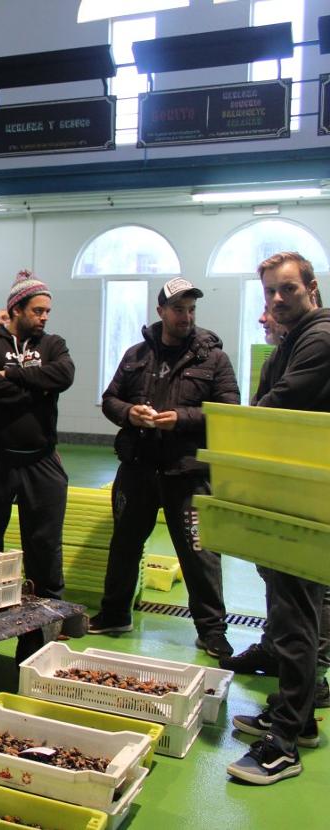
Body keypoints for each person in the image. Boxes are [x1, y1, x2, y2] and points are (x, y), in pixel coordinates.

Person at [90, 278, 239, 660]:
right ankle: (114, 614)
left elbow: (228, 412)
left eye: (191, 310)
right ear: (161, 312)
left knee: (198, 552)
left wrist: (183, 419)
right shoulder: (136, 355)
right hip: (138, 468)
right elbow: (110, 399)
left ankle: (212, 631)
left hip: (186, 473)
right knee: (124, 544)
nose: (186, 316)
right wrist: (129, 413)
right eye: (178, 309)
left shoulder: (214, 359)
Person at [228, 252, 330, 785]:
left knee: (296, 614)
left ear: (310, 287)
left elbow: (280, 403)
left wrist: (229, 430)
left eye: (286, 289)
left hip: (308, 496)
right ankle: (301, 718)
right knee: (286, 607)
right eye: (269, 292)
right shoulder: (290, 342)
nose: (275, 301)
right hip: (288, 490)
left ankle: (286, 742)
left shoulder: (321, 336)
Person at [0, 270, 74, 600]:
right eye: (37, 311)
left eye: (47, 312)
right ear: (16, 309)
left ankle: (49, 612)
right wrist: (37, 386)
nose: (44, 318)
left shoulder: (53, 344)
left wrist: (12, 375)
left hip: (40, 460)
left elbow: (64, 375)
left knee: (44, 542)